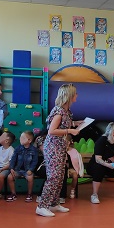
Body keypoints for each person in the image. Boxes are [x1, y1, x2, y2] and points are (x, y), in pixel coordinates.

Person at [36, 84, 79, 217]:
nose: (77, 96)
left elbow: (63, 124)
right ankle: (42, 206)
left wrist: (75, 124)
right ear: (69, 96)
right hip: (53, 147)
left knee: (60, 176)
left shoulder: (67, 111)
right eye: (75, 94)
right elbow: (52, 131)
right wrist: (70, 130)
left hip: (60, 147)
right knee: (53, 177)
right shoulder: (59, 112)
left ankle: (54, 203)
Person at [88, 122, 114, 204]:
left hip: (111, 165)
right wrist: (109, 165)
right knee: (99, 168)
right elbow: (98, 159)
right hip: (98, 164)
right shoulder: (101, 141)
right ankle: (94, 195)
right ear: (113, 132)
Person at [4, 131, 38, 203]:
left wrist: (31, 170)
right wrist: (11, 168)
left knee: (30, 178)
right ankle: (13, 194)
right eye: (20, 137)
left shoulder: (34, 150)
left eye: (23, 138)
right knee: (10, 177)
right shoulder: (18, 148)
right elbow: (13, 159)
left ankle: (29, 194)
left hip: (27, 170)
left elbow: (34, 161)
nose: (20, 139)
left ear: (29, 140)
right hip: (18, 169)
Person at [0, 131, 15, 201]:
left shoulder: (11, 150)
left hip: (6, 168)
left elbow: (10, 164)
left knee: (0, 176)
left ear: (6, 141)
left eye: (2, 136)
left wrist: (1, 169)